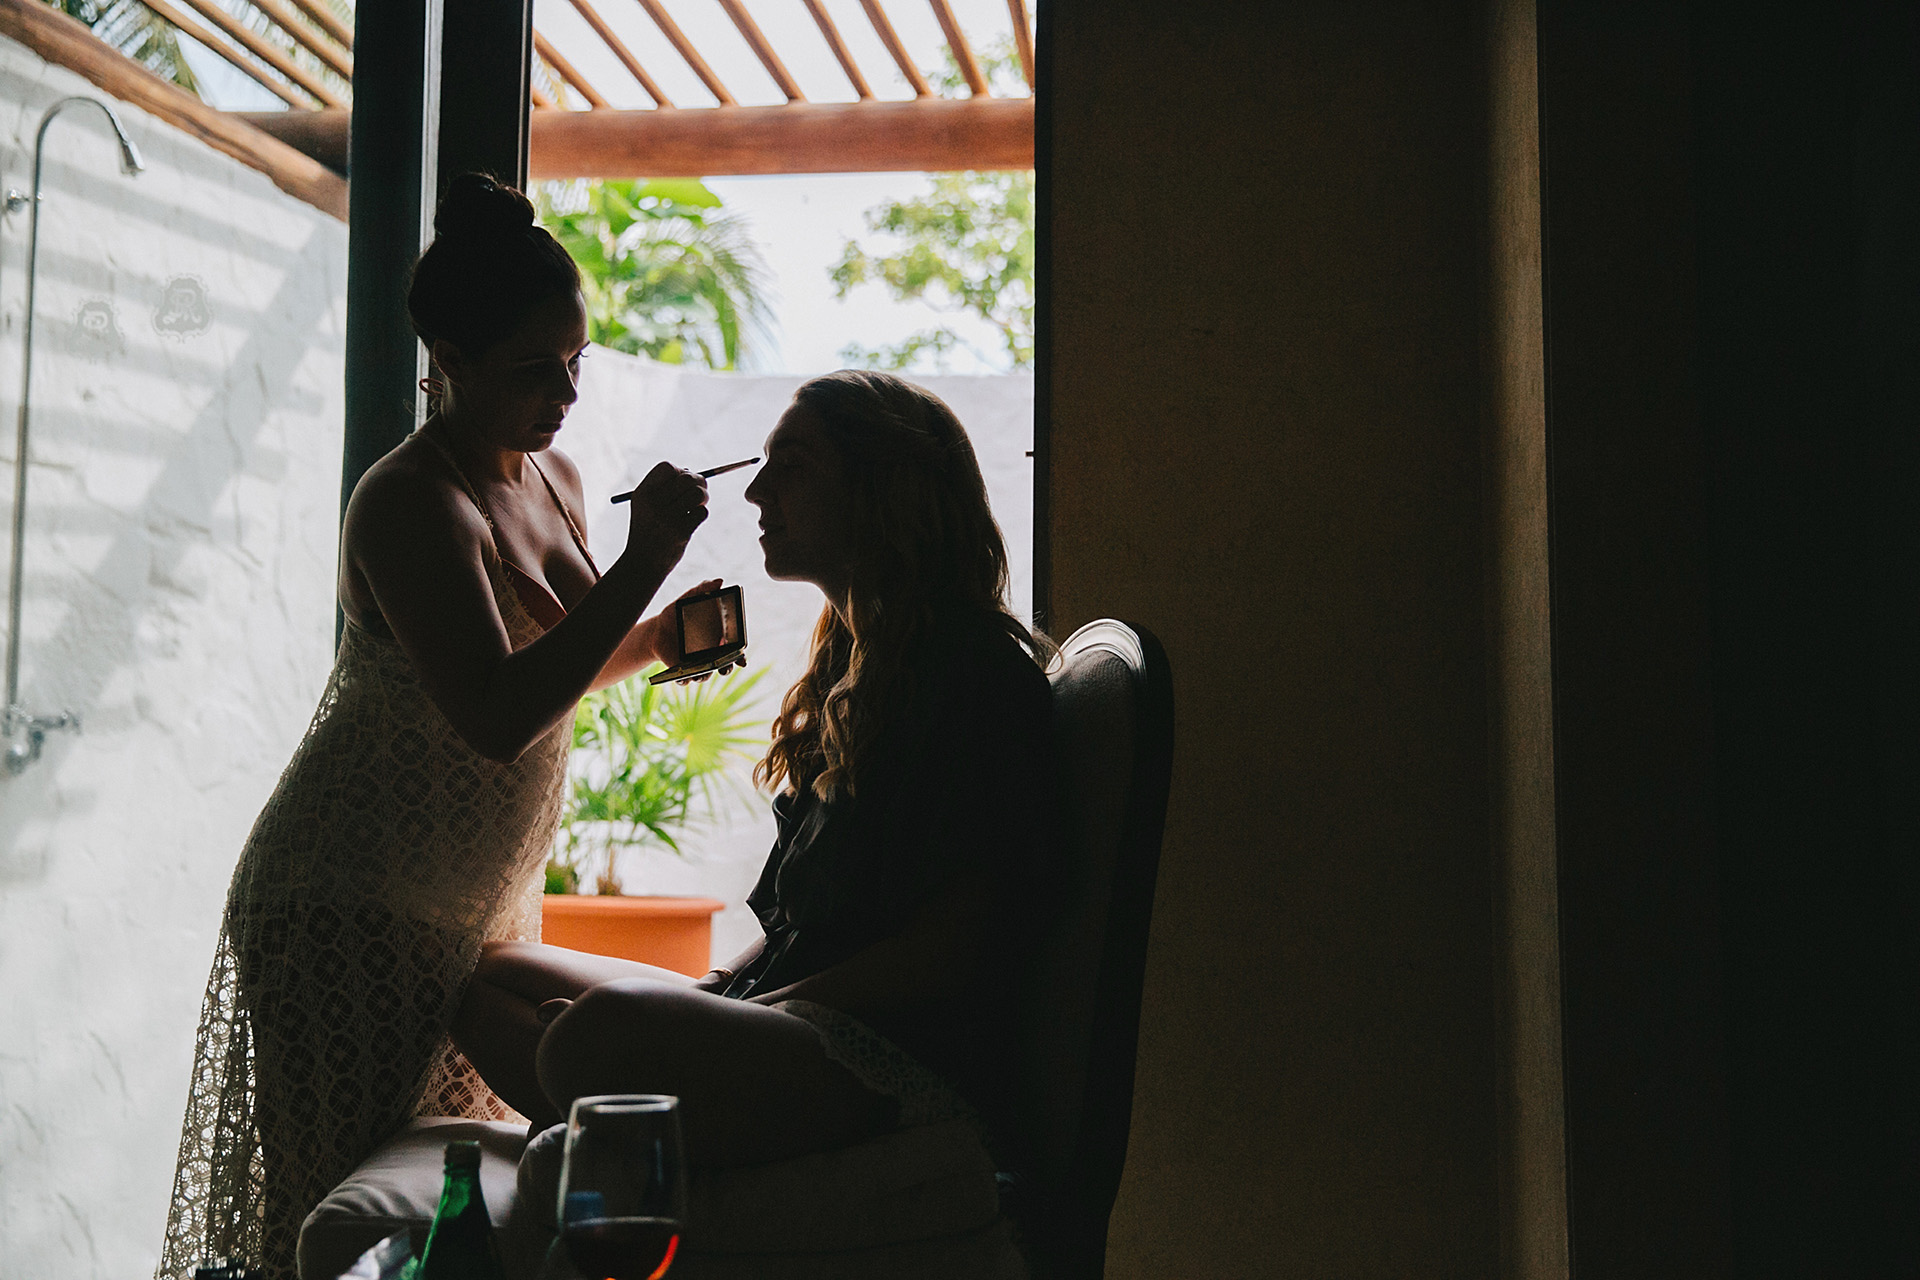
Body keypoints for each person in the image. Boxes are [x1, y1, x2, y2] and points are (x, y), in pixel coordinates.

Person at [158, 174, 722, 1280]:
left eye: (576, 358)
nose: (562, 392)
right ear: (449, 359)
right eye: (531, 368)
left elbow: (547, 665)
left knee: (450, 1231)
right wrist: (647, 560)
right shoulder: (410, 499)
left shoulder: (550, 473)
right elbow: (495, 711)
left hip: (466, 909)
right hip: (343, 906)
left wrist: (656, 639)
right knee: (340, 1216)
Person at [453, 370, 1055, 1175]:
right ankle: (618, 1100)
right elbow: (789, 929)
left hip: (884, 1047)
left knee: (594, 1035)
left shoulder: (976, 674)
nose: (758, 490)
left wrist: (748, 1013)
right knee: (486, 978)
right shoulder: (851, 665)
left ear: (882, 490)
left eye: (793, 464)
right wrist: (709, 997)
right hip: (784, 1006)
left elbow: (949, 951)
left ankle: (606, 1099)